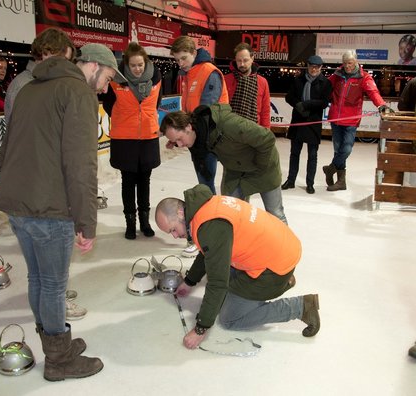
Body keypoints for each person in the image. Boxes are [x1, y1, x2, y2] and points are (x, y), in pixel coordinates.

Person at [0, 43, 125, 382]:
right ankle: (59, 360)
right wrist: (87, 222)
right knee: (53, 284)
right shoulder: (78, 93)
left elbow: (6, 147)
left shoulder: (28, 89)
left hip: (17, 203)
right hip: (49, 207)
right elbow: (80, 164)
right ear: (93, 66)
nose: (107, 86)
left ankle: (55, 342)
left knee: (38, 278)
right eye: (108, 77)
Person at [155, 184, 320, 350]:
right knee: (222, 293)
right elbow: (208, 251)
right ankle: (282, 277)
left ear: (180, 213)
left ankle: (300, 306)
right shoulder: (206, 206)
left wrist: (200, 329)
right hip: (281, 248)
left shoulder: (210, 227)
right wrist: (190, 281)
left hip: (272, 268)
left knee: (230, 318)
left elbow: (217, 283)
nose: (175, 236)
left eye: (173, 229)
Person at [4, 28, 84, 320]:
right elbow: (24, 141)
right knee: (47, 280)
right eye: (64, 59)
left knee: (43, 276)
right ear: (49, 54)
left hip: (31, 192)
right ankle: (55, 315)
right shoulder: (27, 85)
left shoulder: (34, 83)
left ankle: (54, 304)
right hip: (39, 194)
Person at [160, 104, 287, 224]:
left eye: (179, 139)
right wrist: (175, 140)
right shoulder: (199, 135)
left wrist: (261, 166)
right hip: (235, 171)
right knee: (230, 214)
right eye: (175, 142)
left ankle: (285, 247)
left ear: (188, 126)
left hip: (263, 167)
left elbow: (266, 138)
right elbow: (196, 147)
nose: (180, 145)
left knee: (275, 214)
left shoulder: (228, 124)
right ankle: (238, 245)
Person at [170, 35, 229, 257]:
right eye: (177, 60)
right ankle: (210, 231)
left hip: (211, 139)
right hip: (197, 139)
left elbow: (207, 112)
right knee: (206, 185)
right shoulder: (188, 74)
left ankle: (208, 235)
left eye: (183, 58)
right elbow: (189, 110)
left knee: (207, 187)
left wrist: (188, 133)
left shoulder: (208, 72)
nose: (180, 64)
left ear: (194, 53)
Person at [101, 42, 162, 240]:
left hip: (147, 137)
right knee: (128, 182)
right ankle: (130, 223)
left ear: (145, 63)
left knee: (145, 180)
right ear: (126, 65)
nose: (137, 69)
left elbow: (157, 103)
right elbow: (109, 106)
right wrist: (125, 120)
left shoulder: (156, 80)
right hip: (124, 139)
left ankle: (145, 222)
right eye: (133, 65)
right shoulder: (116, 81)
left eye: (140, 65)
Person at [323, 50, 393, 192]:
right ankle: (341, 182)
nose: (347, 66)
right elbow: (324, 87)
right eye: (345, 63)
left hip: (351, 119)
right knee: (338, 149)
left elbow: (373, 92)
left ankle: (331, 168)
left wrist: (381, 105)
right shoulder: (336, 75)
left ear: (356, 62)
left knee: (347, 148)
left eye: (350, 63)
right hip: (336, 117)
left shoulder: (364, 77)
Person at [282, 55, 332, 194]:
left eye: (317, 67)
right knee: (294, 153)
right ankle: (291, 180)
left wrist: (306, 104)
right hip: (298, 120)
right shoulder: (298, 80)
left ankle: (310, 183)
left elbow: (324, 102)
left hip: (313, 123)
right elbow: (289, 97)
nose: (314, 69)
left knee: (312, 155)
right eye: (311, 66)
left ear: (321, 67)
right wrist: (297, 105)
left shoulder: (325, 83)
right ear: (308, 66)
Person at [4, 27, 75, 123]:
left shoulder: (51, 82)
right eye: (62, 59)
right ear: (45, 52)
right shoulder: (23, 85)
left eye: (67, 61)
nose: (64, 65)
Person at [224, 42, 271, 128]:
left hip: (253, 130)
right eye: (239, 61)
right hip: (229, 130)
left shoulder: (262, 82)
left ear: (252, 58)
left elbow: (265, 111)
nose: (242, 64)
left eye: (245, 60)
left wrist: (266, 132)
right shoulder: (226, 79)